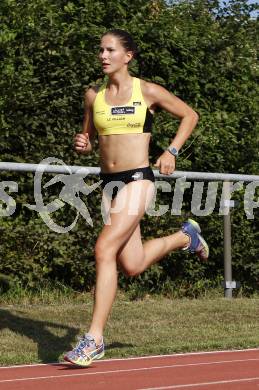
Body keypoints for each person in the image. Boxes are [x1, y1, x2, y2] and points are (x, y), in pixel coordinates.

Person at [64, 29, 209, 367]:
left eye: (110, 50)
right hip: (108, 185)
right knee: (133, 264)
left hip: (137, 180)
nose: (102, 55)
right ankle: (186, 237)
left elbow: (190, 115)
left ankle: (94, 339)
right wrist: (82, 143)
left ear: (127, 56)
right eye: (100, 49)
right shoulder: (93, 96)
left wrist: (171, 150)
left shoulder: (147, 91)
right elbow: (86, 134)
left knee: (104, 249)